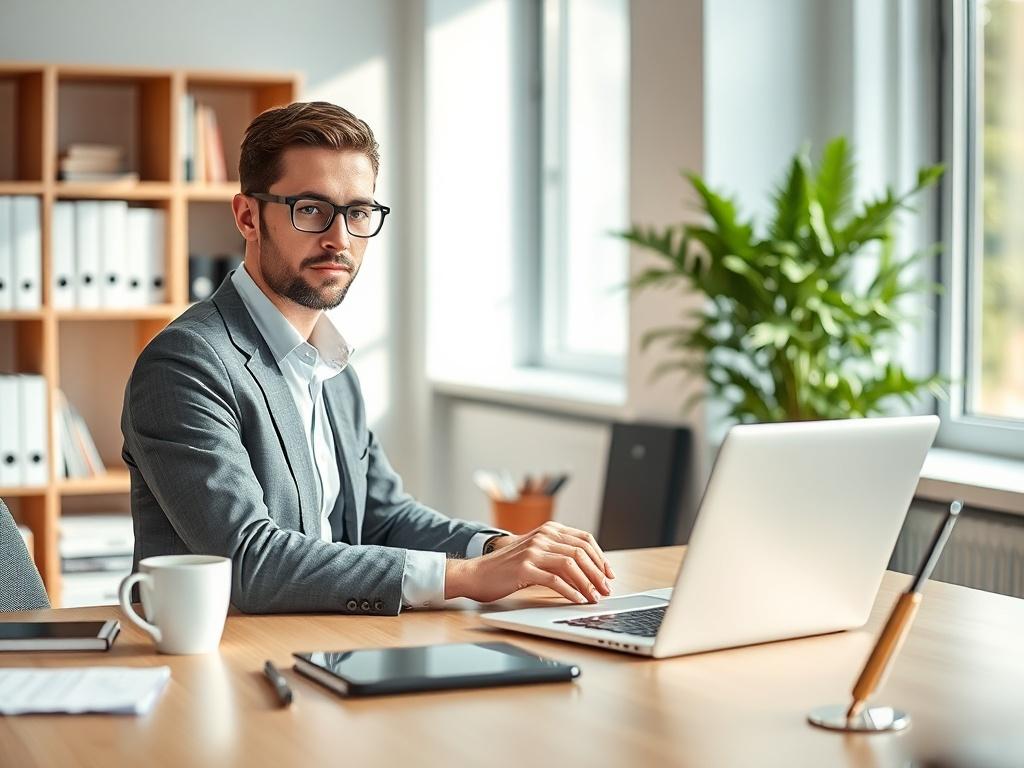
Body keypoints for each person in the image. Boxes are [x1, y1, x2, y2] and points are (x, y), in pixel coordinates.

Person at [121, 101, 615, 614]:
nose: (340, 239)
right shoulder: (186, 363)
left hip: (328, 642)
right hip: (225, 662)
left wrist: (494, 548)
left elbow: (381, 517)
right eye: (310, 209)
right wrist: (466, 576)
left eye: (357, 212)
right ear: (248, 216)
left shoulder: (331, 366)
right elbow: (247, 563)